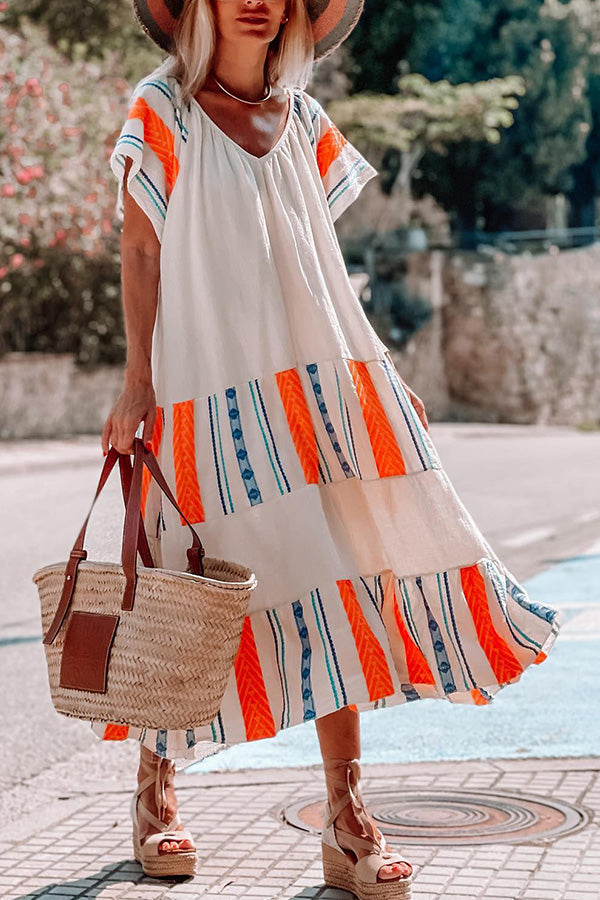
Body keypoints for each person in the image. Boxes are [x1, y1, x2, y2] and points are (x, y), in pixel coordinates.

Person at [98, 0, 560, 894]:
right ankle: (155, 796)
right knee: (188, 593)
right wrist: (135, 381)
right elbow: (140, 250)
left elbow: (315, 265)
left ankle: (347, 823)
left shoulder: (303, 116)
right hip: (204, 388)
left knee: (337, 581)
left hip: (311, 397)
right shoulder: (163, 108)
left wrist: (378, 379)